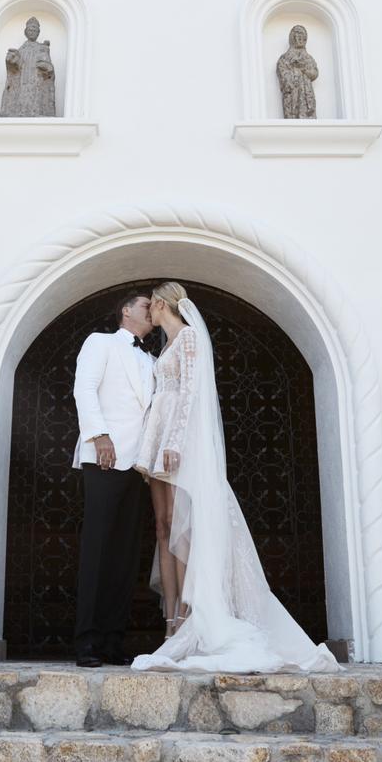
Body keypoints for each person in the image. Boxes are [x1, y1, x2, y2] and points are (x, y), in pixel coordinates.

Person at [133, 282, 340, 674]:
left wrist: (174, 442)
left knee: (183, 527)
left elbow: (192, 392)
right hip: (157, 439)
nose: (149, 314)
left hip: (179, 442)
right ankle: (170, 619)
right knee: (163, 526)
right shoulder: (164, 345)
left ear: (162, 304)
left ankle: (188, 614)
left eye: (151, 307)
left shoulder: (189, 338)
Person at [72, 290, 155, 667]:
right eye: (145, 305)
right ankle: (87, 641)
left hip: (139, 466)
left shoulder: (152, 359)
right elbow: (84, 388)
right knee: (98, 550)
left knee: (125, 555)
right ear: (125, 311)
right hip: (104, 457)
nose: (151, 311)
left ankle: (111, 639)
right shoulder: (100, 342)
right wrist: (99, 435)